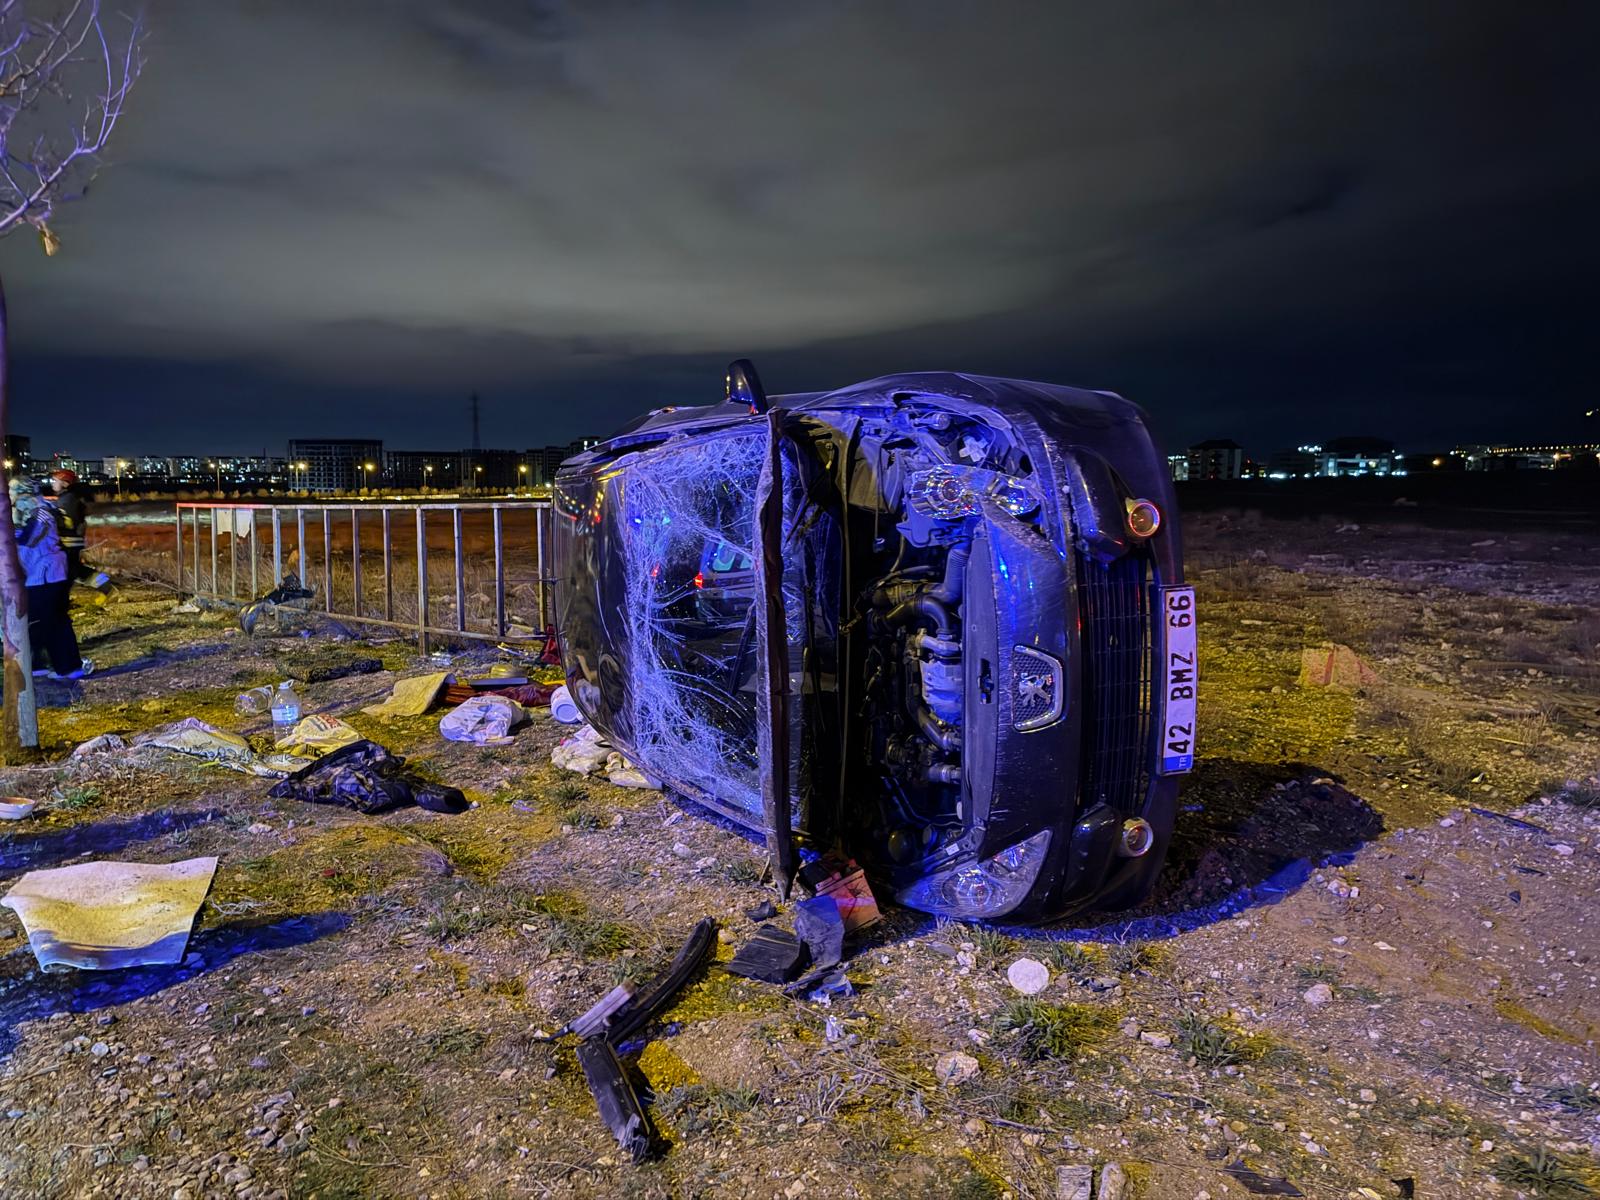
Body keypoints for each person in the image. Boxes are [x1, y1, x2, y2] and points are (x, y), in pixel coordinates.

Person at [11, 477, 91, 680]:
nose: (9, 495)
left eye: (12, 490)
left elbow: (27, 539)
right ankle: (42, 666)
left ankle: (68, 667)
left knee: (52, 622)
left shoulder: (41, 512)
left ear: (24, 491)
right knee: (42, 622)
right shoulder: (26, 511)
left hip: (47, 576)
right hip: (37, 576)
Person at [46, 469, 110, 593]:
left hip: (69, 542)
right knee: (73, 570)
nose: (53, 484)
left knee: (70, 571)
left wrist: (52, 517)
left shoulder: (67, 499)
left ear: (65, 483)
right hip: (70, 541)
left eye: (55, 481)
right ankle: (104, 584)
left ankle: (104, 584)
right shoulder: (66, 498)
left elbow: (70, 522)